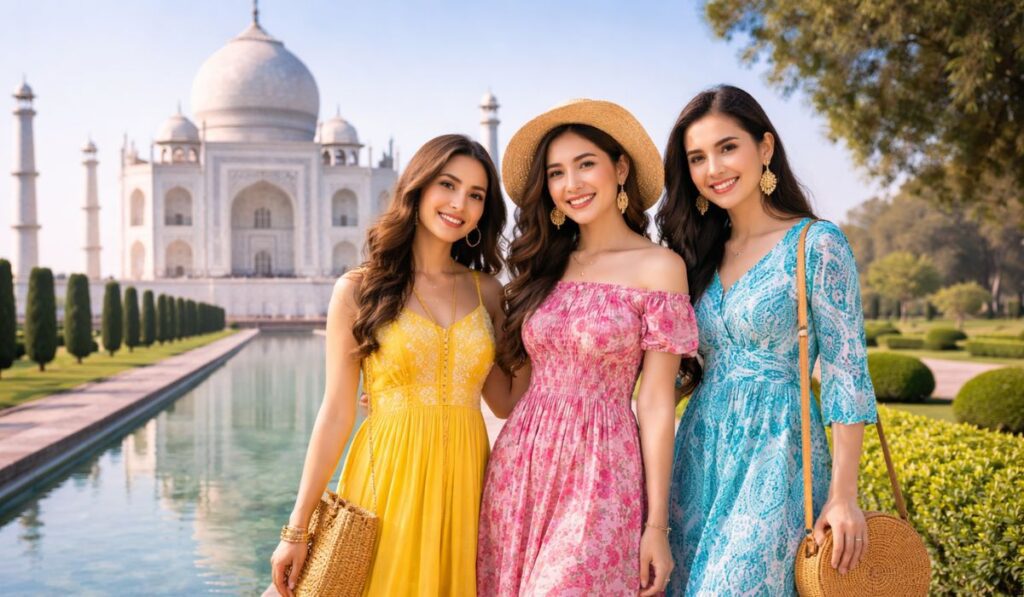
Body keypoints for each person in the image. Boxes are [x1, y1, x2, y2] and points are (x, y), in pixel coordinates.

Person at [656, 85, 878, 596]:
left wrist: (844, 494)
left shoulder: (816, 244)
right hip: (699, 455)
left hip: (778, 453)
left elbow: (847, 373)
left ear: (765, 149)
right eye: (697, 157)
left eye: (727, 147)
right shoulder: (697, 255)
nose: (714, 168)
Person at [269, 134, 507, 597]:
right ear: (418, 187)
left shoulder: (488, 292)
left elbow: (504, 401)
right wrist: (297, 528)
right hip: (389, 479)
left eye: (476, 195)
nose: (460, 203)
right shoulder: (359, 290)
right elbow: (336, 412)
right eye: (448, 184)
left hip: (469, 484)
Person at [477, 99, 699, 596]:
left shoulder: (659, 268)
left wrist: (656, 527)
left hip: (603, 471)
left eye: (585, 165)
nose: (571, 184)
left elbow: (656, 400)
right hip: (520, 467)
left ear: (620, 168)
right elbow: (509, 392)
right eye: (556, 173)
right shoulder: (543, 267)